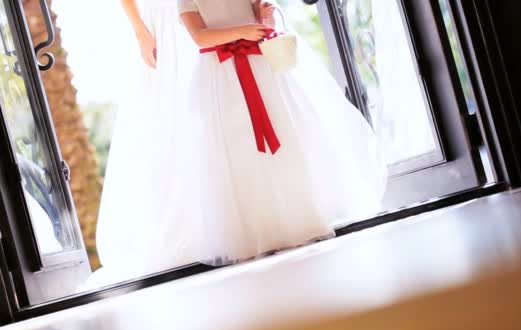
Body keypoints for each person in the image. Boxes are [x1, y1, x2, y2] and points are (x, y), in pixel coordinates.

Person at [176, 0, 388, 266]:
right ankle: (255, 231)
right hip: (221, 72)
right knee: (238, 148)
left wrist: (265, 19)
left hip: (260, 61)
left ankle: (298, 217)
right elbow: (199, 36)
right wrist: (242, 31)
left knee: (286, 135)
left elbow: (261, 22)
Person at [87, 0, 198, 287]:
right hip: (158, 25)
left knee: (201, 112)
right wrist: (141, 32)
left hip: (193, 17)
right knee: (164, 121)